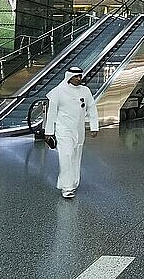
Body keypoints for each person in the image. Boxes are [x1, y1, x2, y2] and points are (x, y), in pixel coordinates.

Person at [44, 67, 99, 199]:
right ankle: (67, 187)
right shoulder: (58, 92)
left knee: (76, 156)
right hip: (63, 129)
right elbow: (51, 113)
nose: (79, 79)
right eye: (76, 77)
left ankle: (73, 183)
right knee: (67, 155)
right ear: (69, 77)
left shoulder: (85, 91)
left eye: (80, 76)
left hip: (79, 130)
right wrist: (49, 132)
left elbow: (91, 108)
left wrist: (94, 127)